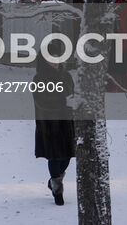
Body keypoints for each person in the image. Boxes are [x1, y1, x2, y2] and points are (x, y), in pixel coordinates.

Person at [33, 55, 76, 205]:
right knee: (54, 156)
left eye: (58, 58)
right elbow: (41, 101)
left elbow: (72, 93)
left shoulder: (66, 75)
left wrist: (74, 103)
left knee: (68, 155)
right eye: (51, 59)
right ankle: (57, 190)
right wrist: (64, 101)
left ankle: (53, 181)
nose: (55, 62)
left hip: (66, 120)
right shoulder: (39, 78)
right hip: (49, 122)